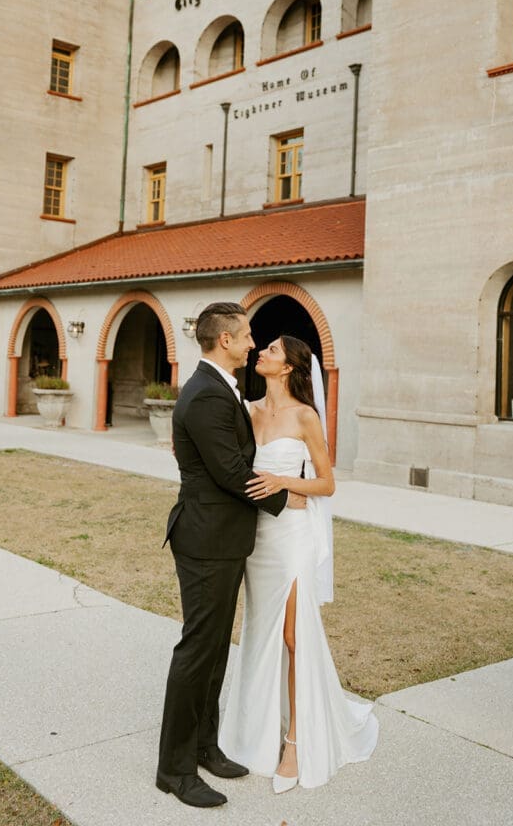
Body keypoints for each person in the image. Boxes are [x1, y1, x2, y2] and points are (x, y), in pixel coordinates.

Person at [156, 303, 306, 809]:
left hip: (224, 539)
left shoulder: (220, 388)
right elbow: (230, 471)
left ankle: (204, 746)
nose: (250, 343)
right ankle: (175, 771)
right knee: (197, 650)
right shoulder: (205, 395)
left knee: (217, 648)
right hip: (205, 541)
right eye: (245, 336)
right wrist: (290, 498)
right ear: (225, 341)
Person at [219, 335, 379, 791]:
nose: (261, 354)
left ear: (288, 367)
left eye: (270, 350)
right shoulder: (247, 411)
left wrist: (284, 481)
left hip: (293, 537)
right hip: (259, 540)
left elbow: (327, 484)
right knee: (260, 634)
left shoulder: (306, 416)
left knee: (293, 636)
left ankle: (295, 742)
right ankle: (255, 730)